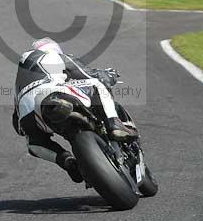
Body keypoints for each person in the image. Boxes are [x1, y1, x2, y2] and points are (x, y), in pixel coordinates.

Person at [12, 37, 137, 182]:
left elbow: (18, 128)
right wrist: (108, 76)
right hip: (52, 95)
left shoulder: (19, 81)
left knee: (35, 144)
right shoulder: (56, 57)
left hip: (28, 115)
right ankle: (114, 123)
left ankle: (67, 162)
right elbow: (86, 74)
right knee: (96, 84)